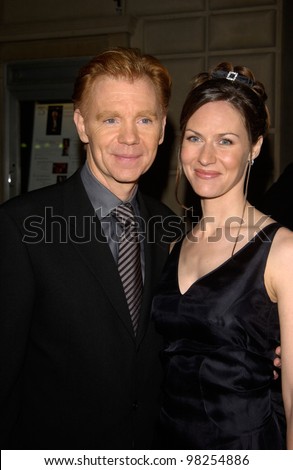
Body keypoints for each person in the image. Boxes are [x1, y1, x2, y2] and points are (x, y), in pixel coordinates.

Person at [0, 47, 182, 449]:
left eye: (145, 119)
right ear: (82, 125)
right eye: (110, 118)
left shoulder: (171, 227)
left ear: (162, 129)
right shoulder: (20, 227)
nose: (130, 137)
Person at [151, 62, 293, 449]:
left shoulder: (282, 251)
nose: (205, 157)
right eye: (195, 138)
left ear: (256, 147)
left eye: (226, 141)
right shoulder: (173, 244)